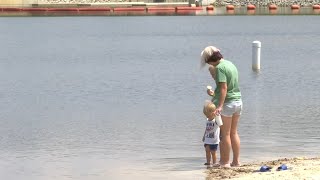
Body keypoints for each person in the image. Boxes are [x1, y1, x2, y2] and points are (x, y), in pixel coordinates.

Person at [200, 46, 243, 168]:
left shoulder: (219, 68)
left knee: (225, 134)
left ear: (210, 59)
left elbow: (224, 88)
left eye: (206, 61)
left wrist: (219, 106)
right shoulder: (230, 64)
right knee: (234, 133)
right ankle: (236, 161)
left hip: (228, 104)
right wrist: (213, 94)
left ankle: (225, 162)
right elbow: (226, 87)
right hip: (238, 101)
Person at [202, 100, 223, 166]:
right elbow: (206, 129)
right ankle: (208, 162)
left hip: (214, 140)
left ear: (213, 113)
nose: (207, 117)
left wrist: (221, 135)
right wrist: (204, 136)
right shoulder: (207, 120)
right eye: (206, 115)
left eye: (208, 115)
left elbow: (221, 126)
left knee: (213, 152)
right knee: (207, 150)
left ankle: (214, 162)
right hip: (207, 139)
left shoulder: (216, 119)